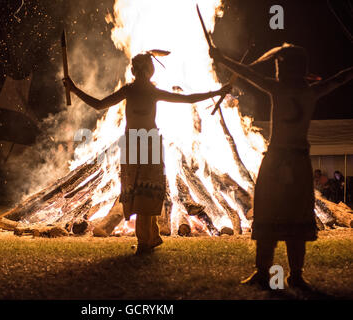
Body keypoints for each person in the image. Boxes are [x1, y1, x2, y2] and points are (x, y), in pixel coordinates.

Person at [209, 43, 353, 290]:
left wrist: (222, 58)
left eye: (278, 65)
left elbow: (248, 74)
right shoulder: (313, 91)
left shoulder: (277, 88)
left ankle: (269, 272)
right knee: (292, 217)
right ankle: (288, 274)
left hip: (277, 160)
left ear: (285, 68)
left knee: (269, 215)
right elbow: (340, 79)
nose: (275, 70)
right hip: (297, 161)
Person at [63, 52, 231, 254]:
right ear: (146, 71)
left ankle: (149, 238)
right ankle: (147, 239)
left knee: (145, 190)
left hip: (140, 141)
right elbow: (187, 99)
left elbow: (99, 104)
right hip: (142, 141)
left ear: (135, 71)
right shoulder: (142, 91)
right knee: (144, 190)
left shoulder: (137, 90)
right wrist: (216, 93)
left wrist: (74, 89)